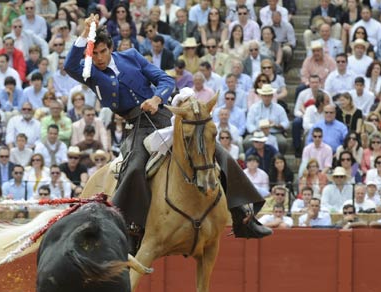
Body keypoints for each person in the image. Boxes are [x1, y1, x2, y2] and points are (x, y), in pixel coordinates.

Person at [64, 16, 270, 239]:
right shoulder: (90, 73)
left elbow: (165, 80)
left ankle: (242, 214)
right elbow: (69, 65)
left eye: (102, 51)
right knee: (133, 167)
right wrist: (85, 34)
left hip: (163, 114)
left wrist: (156, 99)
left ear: (110, 48)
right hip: (136, 126)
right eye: (94, 53)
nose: (99, 58)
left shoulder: (131, 56)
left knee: (213, 149)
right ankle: (131, 226)